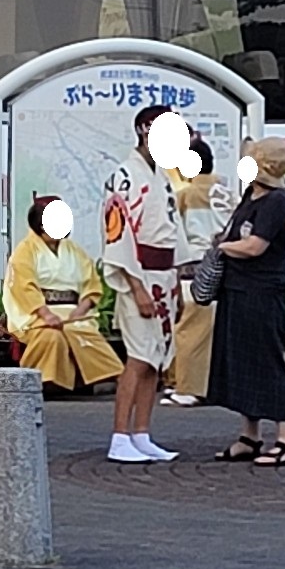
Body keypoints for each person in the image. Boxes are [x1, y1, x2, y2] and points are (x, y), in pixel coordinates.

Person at [205, 138, 285, 467]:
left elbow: (255, 246)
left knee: (268, 362)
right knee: (243, 363)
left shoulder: (275, 201)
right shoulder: (251, 195)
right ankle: (250, 435)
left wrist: (223, 247)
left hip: (262, 292)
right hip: (238, 290)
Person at [99, 104, 183, 462]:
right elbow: (118, 236)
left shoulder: (163, 176)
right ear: (145, 129)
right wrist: (135, 286)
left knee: (155, 359)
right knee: (137, 356)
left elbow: (171, 230)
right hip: (140, 274)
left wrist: (176, 277)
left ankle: (143, 432)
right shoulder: (124, 176)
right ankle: (120, 435)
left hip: (163, 274)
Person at [2, 195, 123, 392]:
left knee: (81, 332)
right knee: (51, 336)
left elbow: (91, 284)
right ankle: (45, 381)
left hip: (74, 314)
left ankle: (103, 377)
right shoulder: (25, 251)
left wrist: (82, 309)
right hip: (37, 316)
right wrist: (46, 314)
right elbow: (24, 286)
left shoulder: (75, 251)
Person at [166, 136, 234, 407]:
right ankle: (213, 387)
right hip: (227, 267)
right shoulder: (228, 191)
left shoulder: (185, 195)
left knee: (190, 330)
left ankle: (189, 388)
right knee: (216, 333)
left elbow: (176, 236)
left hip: (195, 270)